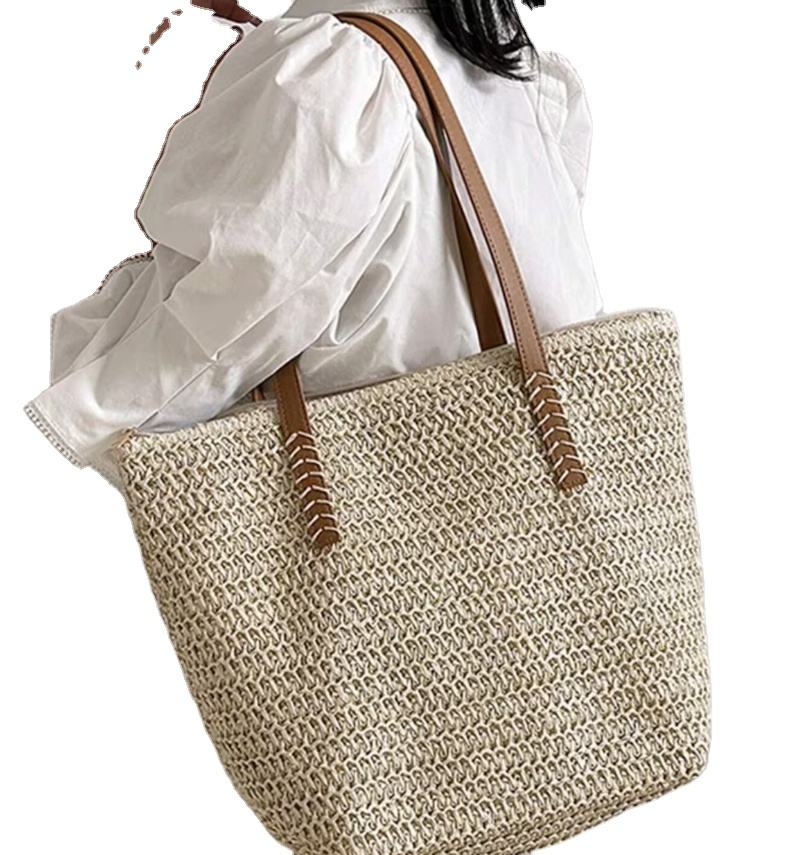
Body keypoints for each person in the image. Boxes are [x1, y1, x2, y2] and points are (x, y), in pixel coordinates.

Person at [26, 0, 602, 484]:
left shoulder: (332, 69)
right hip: (515, 490)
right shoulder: (506, 63)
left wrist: (88, 393)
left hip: (362, 523)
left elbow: (231, 329)